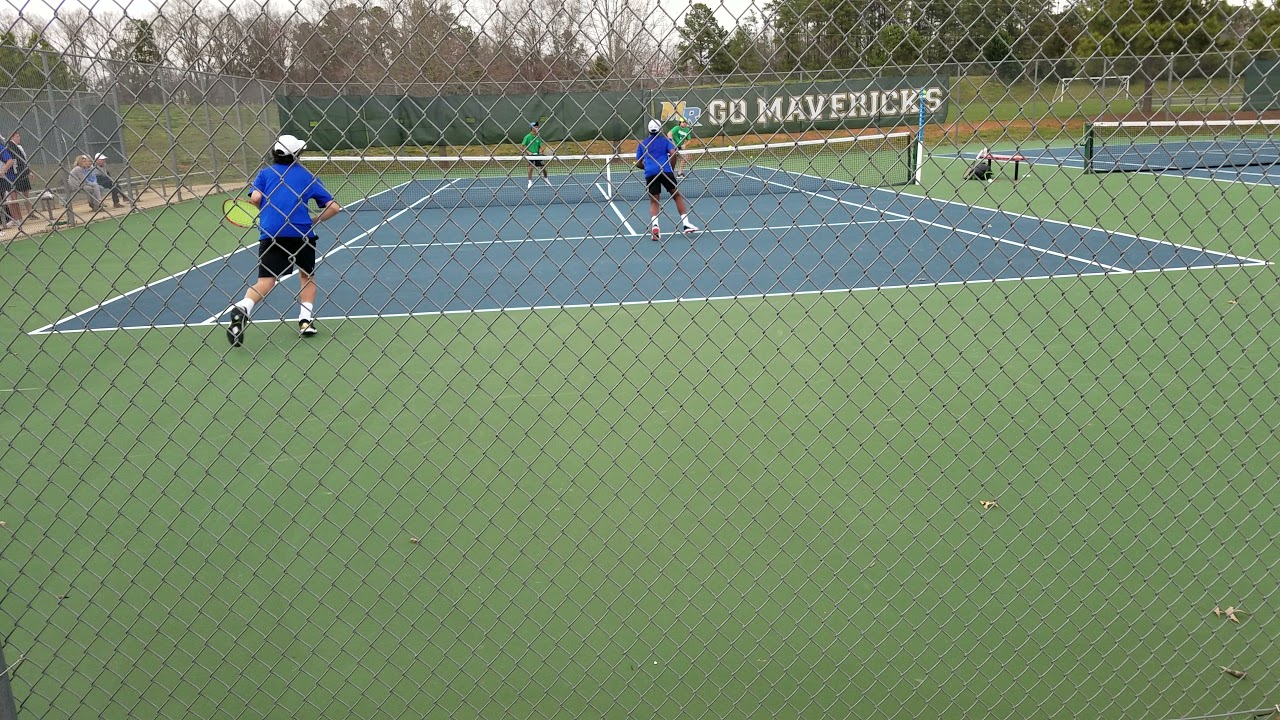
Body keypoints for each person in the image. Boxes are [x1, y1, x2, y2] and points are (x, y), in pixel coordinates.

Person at [225, 134, 341, 347]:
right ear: (298, 154)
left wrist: (268, 210)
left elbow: (255, 198)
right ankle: (305, 321)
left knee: (265, 281)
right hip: (301, 234)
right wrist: (313, 220)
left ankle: (244, 308)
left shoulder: (265, 174)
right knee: (307, 277)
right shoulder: (307, 176)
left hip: (270, 233)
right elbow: (334, 207)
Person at [636, 119, 697, 241]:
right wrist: (671, 168)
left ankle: (655, 226)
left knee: (654, 201)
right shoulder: (665, 141)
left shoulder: (643, 143)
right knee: (676, 195)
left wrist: (647, 167)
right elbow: (673, 153)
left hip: (650, 174)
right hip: (665, 171)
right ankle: (685, 223)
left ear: (649, 130)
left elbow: (638, 162)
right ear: (660, 129)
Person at [4, 130, 33, 226]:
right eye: (17, 136)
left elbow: (22, 160)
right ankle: (15, 218)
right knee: (11, 198)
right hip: (11, 176)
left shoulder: (17, 148)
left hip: (16, 174)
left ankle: (23, 217)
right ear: (12, 137)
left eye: (18, 136)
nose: (19, 138)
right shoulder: (8, 147)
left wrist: (28, 171)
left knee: (19, 196)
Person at [521, 121, 551, 189]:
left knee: (543, 167)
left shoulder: (538, 137)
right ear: (532, 128)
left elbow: (540, 146)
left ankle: (546, 180)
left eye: (537, 127)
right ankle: (530, 182)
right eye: (535, 127)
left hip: (538, 155)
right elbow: (522, 146)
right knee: (531, 167)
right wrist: (528, 152)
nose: (537, 128)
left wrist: (540, 150)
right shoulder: (527, 137)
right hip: (530, 156)